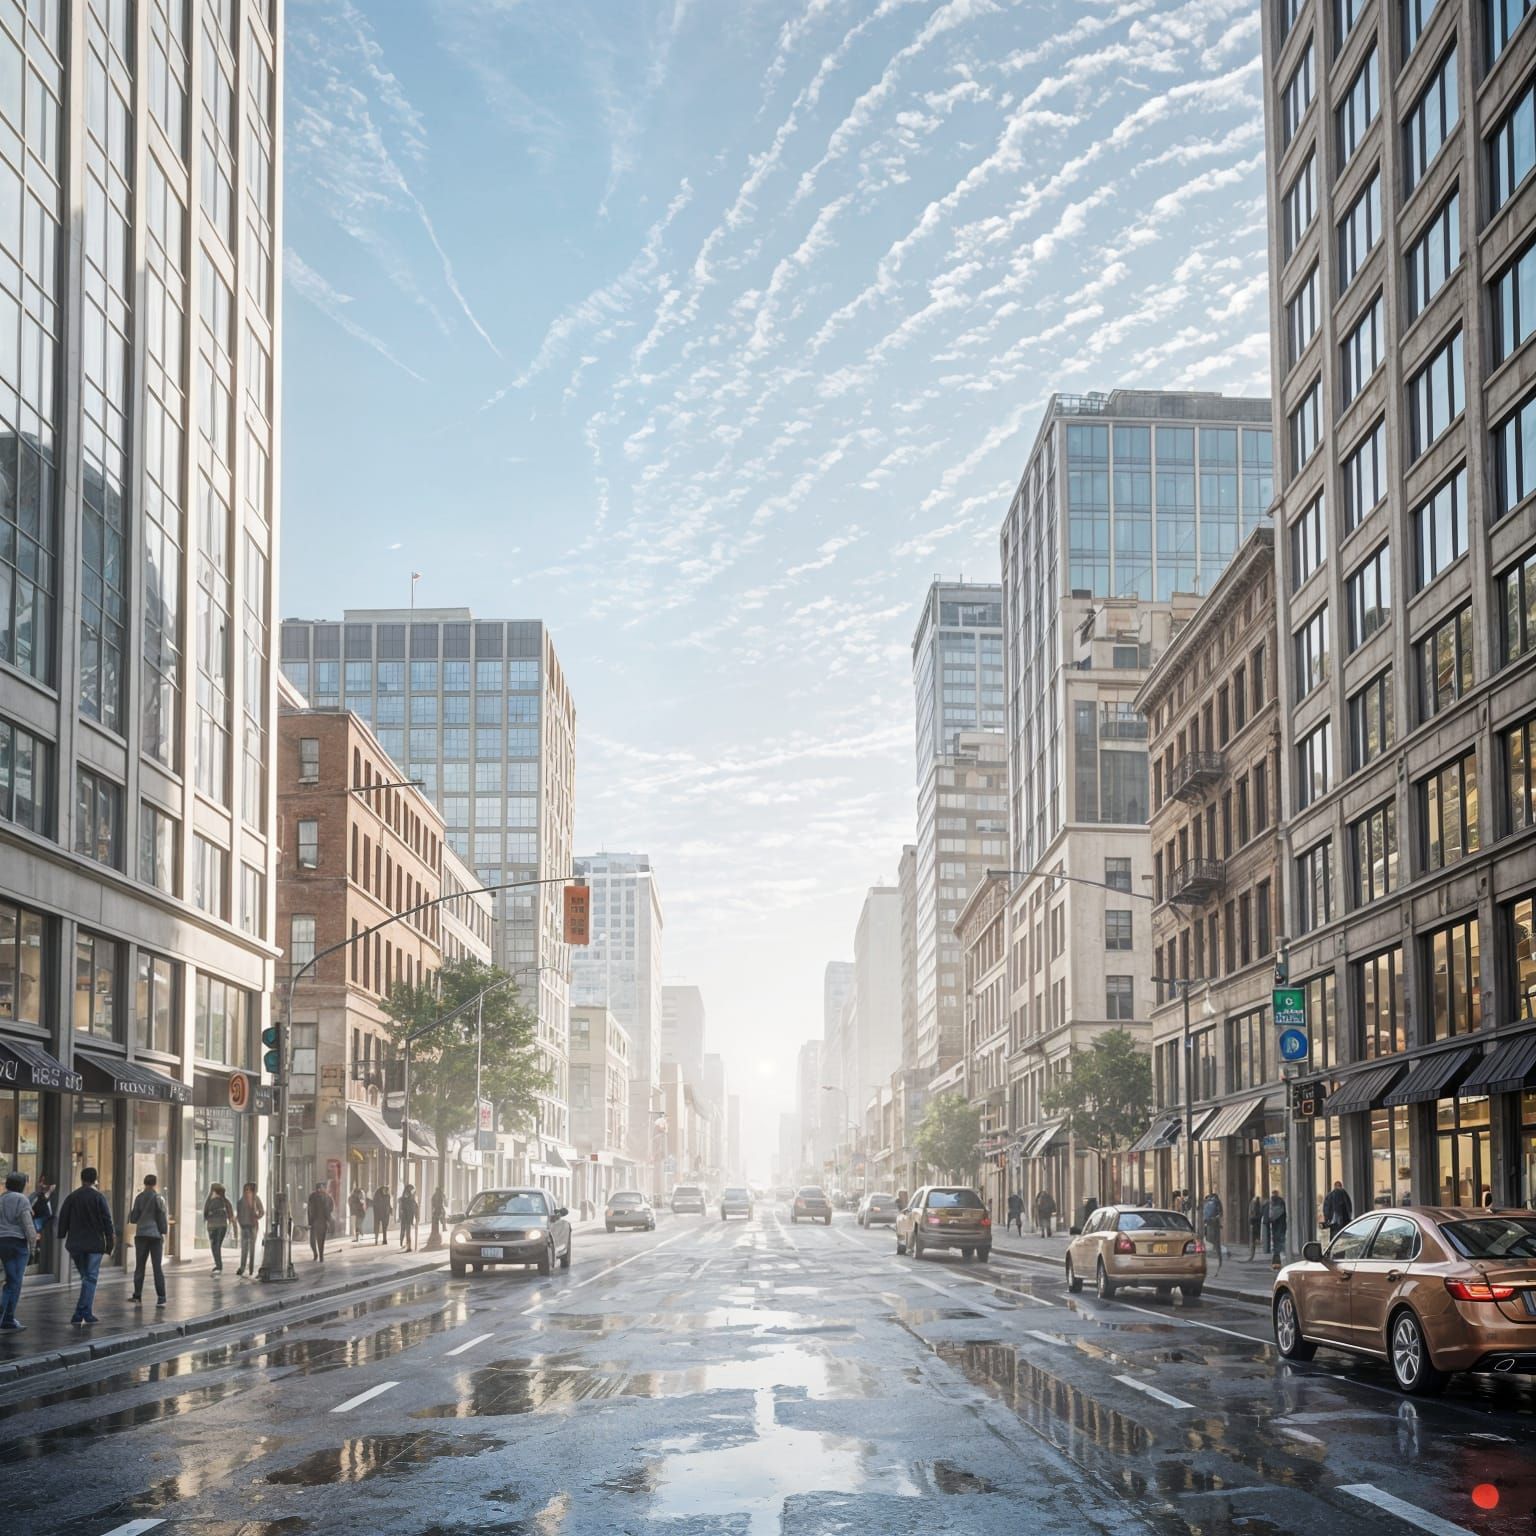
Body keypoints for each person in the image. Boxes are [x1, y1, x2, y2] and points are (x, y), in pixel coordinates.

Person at [57, 1167, 114, 1325]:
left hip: (75, 1244)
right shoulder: (98, 1197)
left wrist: (62, 1234)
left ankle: (86, 1313)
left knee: (85, 1277)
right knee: (90, 1278)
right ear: (95, 1179)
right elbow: (107, 1221)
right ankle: (80, 1313)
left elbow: (63, 1217)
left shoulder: (72, 1197)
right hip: (95, 1243)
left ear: (82, 1179)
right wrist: (110, 1242)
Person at [0, 1171, 38, 1329]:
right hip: (17, 1243)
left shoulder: (1, 1198)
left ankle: (8, 1317)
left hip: (2, 1242)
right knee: (14, 1282)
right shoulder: (21, 1199)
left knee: (11, 1279)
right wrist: (33, 1243)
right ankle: (6, 1317)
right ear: (21, 1185)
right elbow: (27, 1224)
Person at [128, 1174, 169, 1306]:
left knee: (140, 1265)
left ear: (144, 1183)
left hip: (141, 1235)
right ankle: (161, 1297)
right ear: (155, 1184)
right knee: (157, 1267)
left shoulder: (139, 1197)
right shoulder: (159, 1198)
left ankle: (137, 1295)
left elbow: (133, 1218)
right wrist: (163, 1232)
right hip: (155, 1236)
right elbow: (162, 1218)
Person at [203, 1183, 235, 1274]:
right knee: (217, 1245)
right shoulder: (225, 1201)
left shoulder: (210, 1201)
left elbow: (205, 1214)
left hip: (213, 1227)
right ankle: (218, 1265)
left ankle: (218, 1265)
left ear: (213, 1191)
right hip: (222, 1226)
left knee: (214, 1246)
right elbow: (231, 1214)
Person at [235, 1183, 264, 1276]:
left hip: (253, 1226)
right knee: (244, 1249)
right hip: (244, 1227)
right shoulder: (240, 1201)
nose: (248, 1192)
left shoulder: (256, 1199)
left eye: (249, 1190)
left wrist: (257, 1216)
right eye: (246, 1190)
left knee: (252, 1249)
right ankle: (242, 1267)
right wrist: (240, 1223)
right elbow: (238, 1215)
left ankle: (251, 1269)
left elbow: (262, 1211)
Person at [29, 1176, 55, 1264]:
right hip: (37, 1227)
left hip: (49, 1229)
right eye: (41, 1182)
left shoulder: (55, 1197)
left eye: (44, 1182)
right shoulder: (35, 1196)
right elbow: (34, 1209)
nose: (42, 1185)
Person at [306, 1183, 334, 1262]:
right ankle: (315, 1253)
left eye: (321, 1188)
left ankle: (321, 1256)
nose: (319, 1190)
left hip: (323, 1221)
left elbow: (332, 1206)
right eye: (318, 1188)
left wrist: (328, 1217)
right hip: (314, 1221)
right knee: (312, 1241)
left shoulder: (327, 1197)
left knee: (321, 1240)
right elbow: (309, 1209)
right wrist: (309, 1221)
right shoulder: (312, 1197)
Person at [1201, 1189, 1225, 1268]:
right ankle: (1218, 1258)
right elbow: (1220, 1214)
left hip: (1207, 1224)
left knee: (1209, 1239)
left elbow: (1203, 1213)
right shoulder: (1217, 1202)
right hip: (1215, 1224)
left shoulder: (1206, 1202)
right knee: (1217, 1242)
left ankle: (1213, 1253)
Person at [1265, 1191, 1288, 1268]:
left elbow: (1268, 1216)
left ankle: (1276, 1262)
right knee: (1280, 1244)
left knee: (1276, 1245)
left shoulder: (1270, 1203)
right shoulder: (1281, 1203)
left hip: (1275, 1227)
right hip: (1280, 1227)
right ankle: (1279, 1262)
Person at [398, 1184, 418, 1251]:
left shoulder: (411, 1199)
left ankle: (408, 1246)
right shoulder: (405, 1198)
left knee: (407, 1232)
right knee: (403, 1231)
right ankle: (402, 1243)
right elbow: (401, 1207)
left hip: (408, 1217)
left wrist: (416, 1216)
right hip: (405, 1217)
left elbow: (414, 1208)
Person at [1247, 1193, 1265, 1261]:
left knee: (1252, 1241)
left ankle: (1252, 1256)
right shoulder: (1257, 1204)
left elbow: (1251, 1215)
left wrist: (1251, 1222)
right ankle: (1251, 1255)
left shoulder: (1253, 1204)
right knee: (1253, 1241)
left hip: (1254, 1224)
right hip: (1257, 1224)